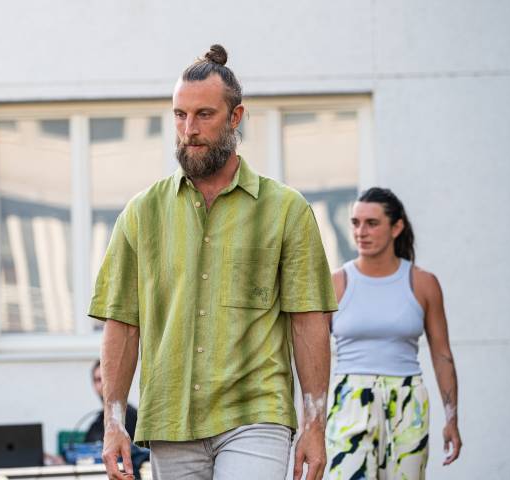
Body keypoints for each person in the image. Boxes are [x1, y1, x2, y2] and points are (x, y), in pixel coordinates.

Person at [89, 45, 337, 480]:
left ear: (236, 117)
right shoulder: (141, 213)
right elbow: (122, 324)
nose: (189, 129)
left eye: (204, 114)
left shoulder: (286, 210)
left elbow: (308, 321)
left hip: (255, 412)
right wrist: (114, 423)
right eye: (180, 115)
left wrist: (314, 425)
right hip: (171, 420)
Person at [325, 187, 462, 479]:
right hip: (350, 398)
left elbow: (442, 355)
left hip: (408, 399)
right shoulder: (336, 283)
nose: (361, 232)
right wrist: (310, 420)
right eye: (356, 223)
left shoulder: (423, 283)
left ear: (396, 227)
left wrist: (452, 419)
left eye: (372, 223)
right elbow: (313, 354)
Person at [83, 360, 137, 444]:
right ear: (94, 385)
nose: (103, 383)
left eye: (106, 378)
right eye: (98, 379)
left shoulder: (130, 416)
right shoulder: (97, 422)